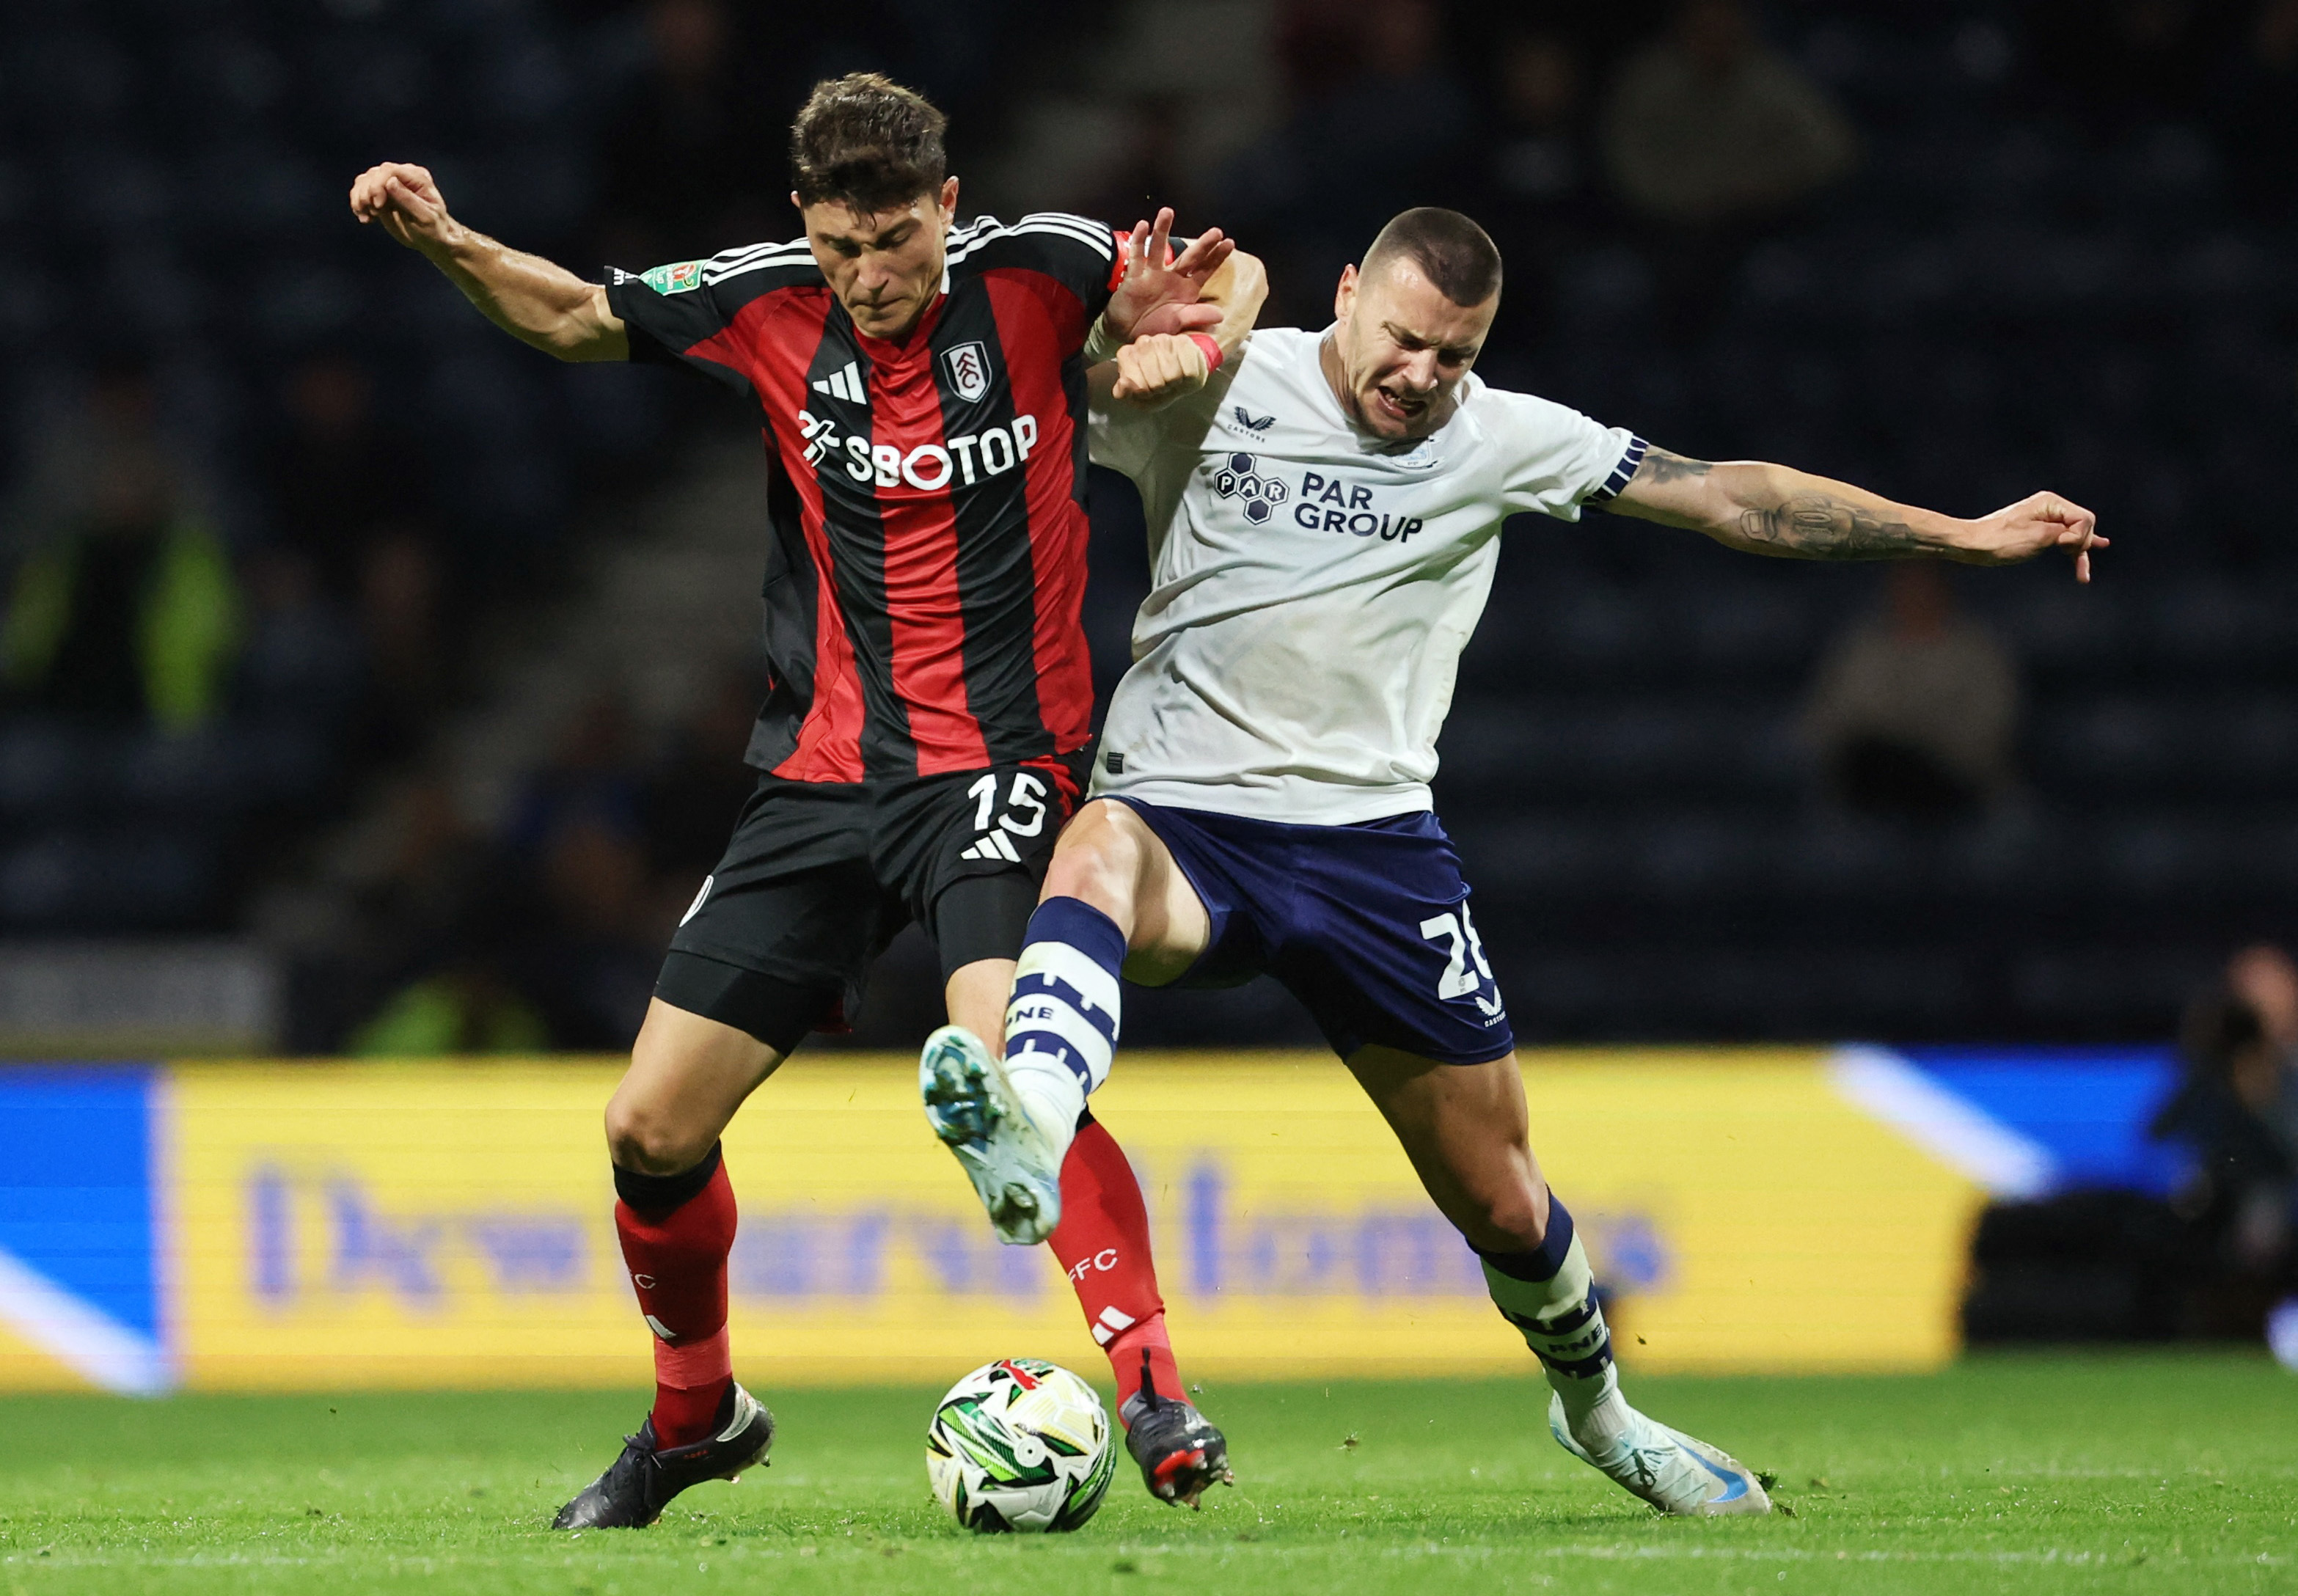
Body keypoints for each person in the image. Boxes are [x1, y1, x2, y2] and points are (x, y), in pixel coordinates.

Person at [923, 206, 2101, 1516]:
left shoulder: (1499, 437)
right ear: (1347, 293)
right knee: (1089, 848)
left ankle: (1598, 1415)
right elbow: (1032, 403)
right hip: (1182, 820)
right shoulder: (1222, 379)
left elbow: (1726, 495)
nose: (1421, 376)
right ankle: (1026, 1117)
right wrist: (1113, 351)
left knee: (1500, 1199)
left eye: (1452, 355)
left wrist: (1954, 533)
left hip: (1372, 854)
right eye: (1404, 339)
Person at [350, 72, 1265, 1528]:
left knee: (1006, 1062)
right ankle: (695, 1413)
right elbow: (576, 315)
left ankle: (1152, 1380)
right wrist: (450, 240)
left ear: (946, 208)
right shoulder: (763, 297)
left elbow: (1237, 272)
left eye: (894, 241)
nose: (870, 277)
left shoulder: (1043, 271)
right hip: (819, 778)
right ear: (804, 227)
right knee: (648, 1126)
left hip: (999, 764)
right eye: (842, 249)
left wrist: (1192, 325)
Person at [1801, 562, 2021, 823]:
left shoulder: (1979, 653)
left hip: (1955, 791)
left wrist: (1917, 741)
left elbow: (1988, 736)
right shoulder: (1862, 650)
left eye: (1924, 586)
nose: (1915, 595)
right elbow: (1829, 722)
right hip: (1868, 792)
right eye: (1905, 584)